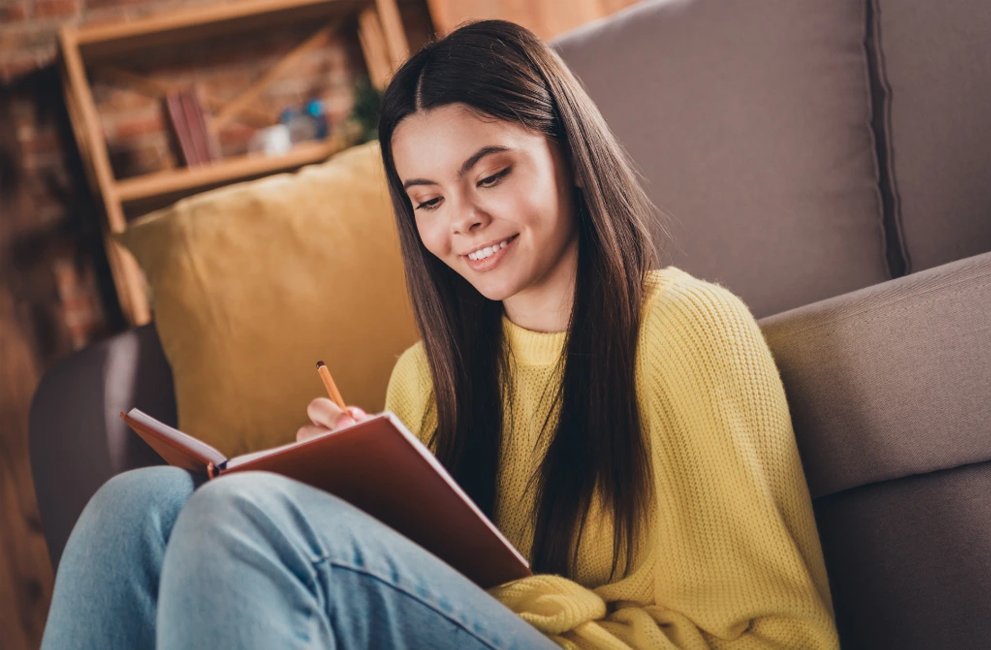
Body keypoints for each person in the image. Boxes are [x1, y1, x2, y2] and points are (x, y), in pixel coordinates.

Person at [41, 19, 840, 650]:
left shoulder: (686, 331)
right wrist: (366, 505)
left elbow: (784, 637)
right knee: (135, 503)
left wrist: (512, 593)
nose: (462, 221)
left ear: (571, 155)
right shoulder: (424, 380)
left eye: (490, 175)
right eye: (426, 200)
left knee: (240, 517)